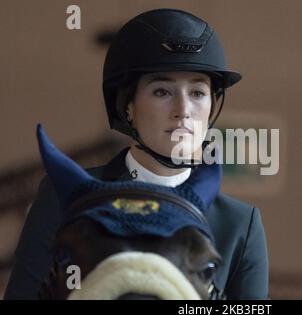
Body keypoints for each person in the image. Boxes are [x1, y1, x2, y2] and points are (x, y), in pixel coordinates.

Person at [5, 8, 269, 300]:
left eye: (197, 93)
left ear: (211, 107)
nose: (183, 110)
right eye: (162, 92)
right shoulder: (62, 196)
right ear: (127, 107)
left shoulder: (240, 223)